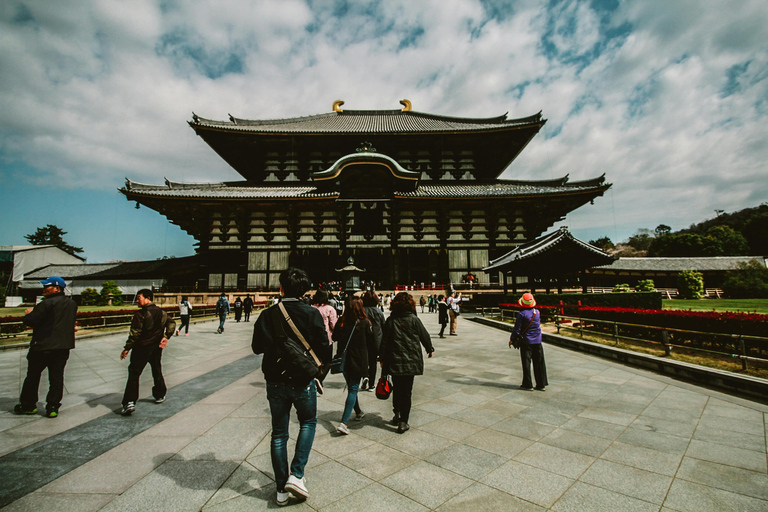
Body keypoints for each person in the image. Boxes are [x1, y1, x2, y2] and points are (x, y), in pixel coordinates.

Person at [252, 267, 330, 506]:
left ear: (281, 288)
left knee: (279, 433)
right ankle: (296, 475)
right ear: (305, 290)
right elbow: (325, 348)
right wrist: (317, 373)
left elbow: (257, 347)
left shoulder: (268, 314)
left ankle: (280, 490)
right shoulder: (312, 314)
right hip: (302, 380)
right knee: (308, 422)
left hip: (275, 380)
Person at [14, 276, 77, 418]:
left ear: (57, 288)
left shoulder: (46, 303)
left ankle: (28, 405)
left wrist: (28, 315)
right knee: (56, 377)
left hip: (43, 347)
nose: (44, 289)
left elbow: (31, 321)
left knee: (33, 376)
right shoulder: (72, 304)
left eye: (47, 286)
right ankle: (53, 407)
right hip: (62, 347)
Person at [380, 292, 434, 434]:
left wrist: (382, 358)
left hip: (395, 359)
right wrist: (429, 348)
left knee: (397, 389)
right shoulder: (414, 320)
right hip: (411, 360)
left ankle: (396, 414)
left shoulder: (391, 321)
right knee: (407, 392)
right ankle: (404, 421)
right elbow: (425, 335)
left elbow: (384, 342)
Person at [120, 289, 176, 416]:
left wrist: (127, 348)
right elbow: (172, 323)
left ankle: (129, 401)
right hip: (156, 347)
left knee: (134, 373)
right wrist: (166, 336)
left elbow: (135, 334)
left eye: (139, 297)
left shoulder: (140, 314)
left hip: (142, 347)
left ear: (148, 298)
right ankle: (160, 394)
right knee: (156, 368)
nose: (137, 300)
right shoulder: (162, 312)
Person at [333, 296, 372, 435]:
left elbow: (334, 337)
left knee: (351, 386)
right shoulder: (365, 323)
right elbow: (370, 341)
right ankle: (343, 423)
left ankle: (358, 411)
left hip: (344, 360)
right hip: (359, 360)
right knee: (353, 389)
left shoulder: (342, 321)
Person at [510, 293, 548, 391]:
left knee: (526, 363)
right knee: (539, 363)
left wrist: (512, 339)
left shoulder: (521, 314)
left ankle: (528, 384)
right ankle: (541, 384)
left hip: (526, 341)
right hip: (538, 340)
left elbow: (517, 330)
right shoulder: (537, 312)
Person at [312, 288, 337, 392]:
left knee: (316, 360)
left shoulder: (311, 308)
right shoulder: (330, 309)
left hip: (313, 339)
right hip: (326, 338)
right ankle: (319, 378)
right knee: (328, 362)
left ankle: (317, 379)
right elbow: (333, 325)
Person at [361, 290, 384, 391]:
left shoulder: (362, 310)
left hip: (363, 339)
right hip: (376, 339)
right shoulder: (378, 311)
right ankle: (371, 384)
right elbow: (383, 325)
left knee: (364, 360)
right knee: (373, 361)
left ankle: (365, 376)